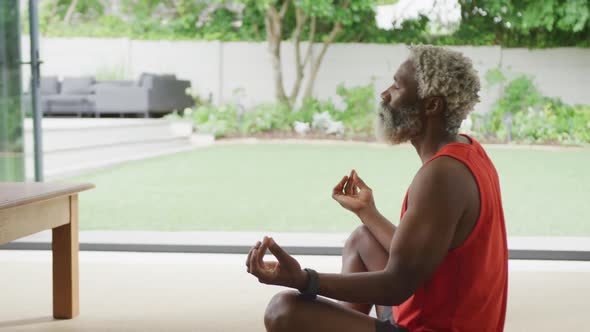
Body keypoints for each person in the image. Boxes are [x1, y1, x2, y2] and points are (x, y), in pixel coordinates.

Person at [246, 45, 508, 332]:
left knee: (282, 311)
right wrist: (367, 212)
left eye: (397, 87)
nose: (385, 94)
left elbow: (397, 286)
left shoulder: (442, 175)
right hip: (429, 316)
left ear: (431, 105)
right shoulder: (469, 151)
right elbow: (418, 258)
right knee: (363, 239)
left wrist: (304, 279)